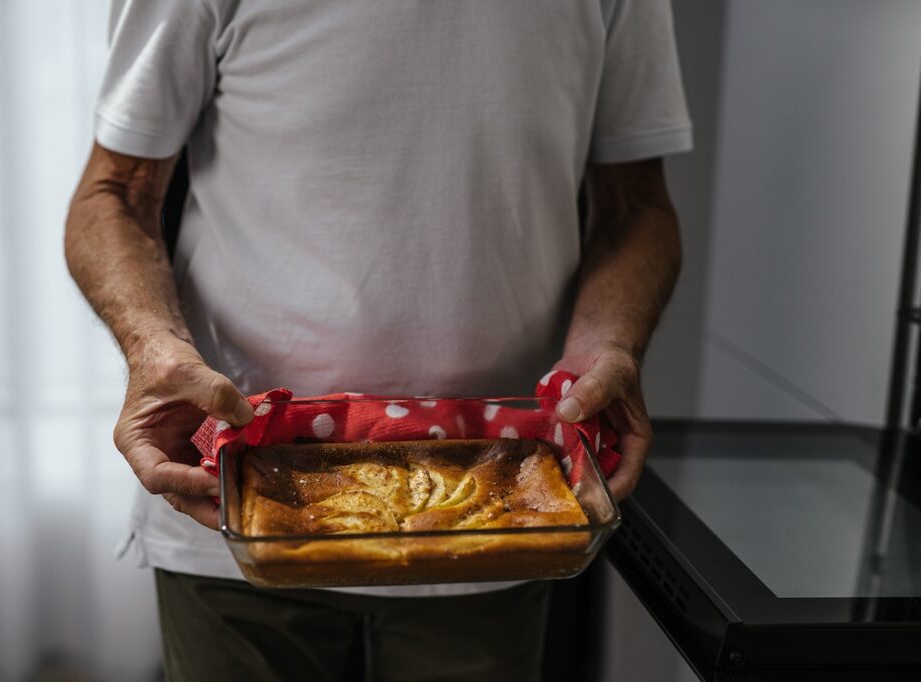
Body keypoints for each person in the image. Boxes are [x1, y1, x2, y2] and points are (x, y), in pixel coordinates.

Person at [65, 0, 691, 679]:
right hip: (232, 496)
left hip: (502, 508)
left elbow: (635, 202)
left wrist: (612, 350)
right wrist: (155, 350)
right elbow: (116, 193)